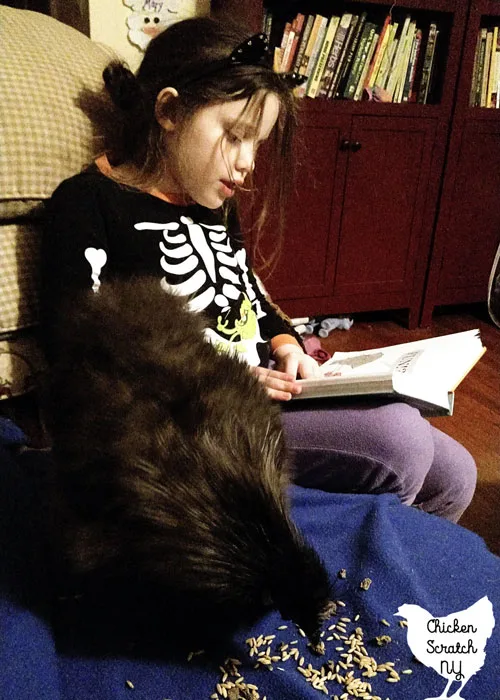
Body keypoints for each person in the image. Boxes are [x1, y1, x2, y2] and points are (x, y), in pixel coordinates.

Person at [41, 16, 476, 523]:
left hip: (269, 391)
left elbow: (247, 292)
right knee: (397, 440)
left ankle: (357, 549)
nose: (248, 163)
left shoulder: (213, 203)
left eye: (258, 144)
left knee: (457, 472)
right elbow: (76, 348)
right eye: (235, 136)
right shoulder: (87, 203)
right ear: (169, 110)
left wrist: (287, 343)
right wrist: (214, 380)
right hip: (189, 416)